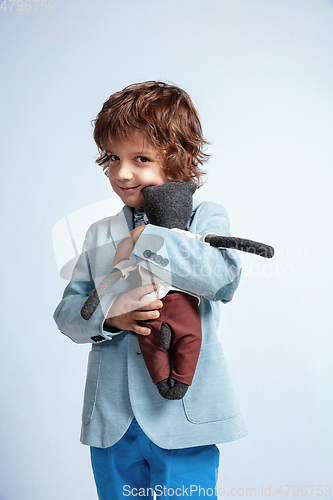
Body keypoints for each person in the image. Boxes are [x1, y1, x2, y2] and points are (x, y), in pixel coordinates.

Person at [54, 81, 247, 500]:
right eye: (112, 159)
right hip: (113, 421)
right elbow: (68, 314)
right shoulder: (99, 232)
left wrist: (147, 237)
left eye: (140, 158)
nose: (122, 173)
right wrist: (110, 316)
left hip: (181, 416)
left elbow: (223, 279)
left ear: (180, 160)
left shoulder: (204, 216)